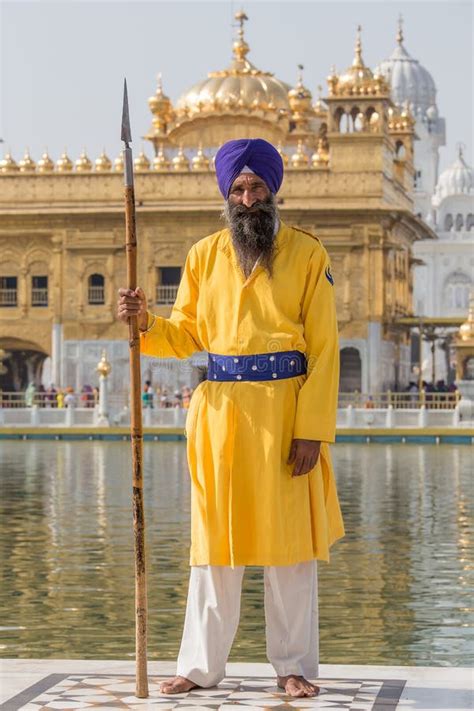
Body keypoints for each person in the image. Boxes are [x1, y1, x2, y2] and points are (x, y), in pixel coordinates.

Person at [117, 137, 344, 698]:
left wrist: (312, 430)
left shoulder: (308, 254)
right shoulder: (204, 255)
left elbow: (326, 348)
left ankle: (292, 666)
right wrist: (146, 321)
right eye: (238, 188)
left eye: (257, 187)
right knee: (215, 546)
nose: (248, 198)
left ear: (273, 191)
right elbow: (187, 335)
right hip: (220, 418)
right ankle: (198, 668)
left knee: (290, 552)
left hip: (287, 414)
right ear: (226, 194)